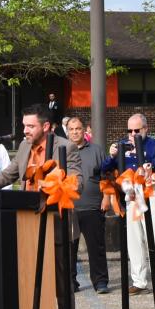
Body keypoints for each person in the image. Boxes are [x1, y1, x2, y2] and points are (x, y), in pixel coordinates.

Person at [108, 114, 155, 298]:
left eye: (137, 130)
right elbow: (107, 167)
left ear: (145, 129)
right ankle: (139, 281)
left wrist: (150, 166)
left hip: (150, 190)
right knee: (134, 239)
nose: (133, 134)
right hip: (132, 193)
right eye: (130, 130)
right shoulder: (122, 145)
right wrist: (112, 154)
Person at [0, 105, 80, 189]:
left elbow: (77, 184)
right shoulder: (24, 146)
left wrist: (52, 184)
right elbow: (6, 175)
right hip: (26, 209)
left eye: (31, 126)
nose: (25, 131)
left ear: (45, 126)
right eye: (24, 126)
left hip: (52, 208)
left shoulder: (67, 147)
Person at [63, 117, 109, 294]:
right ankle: (70, 282)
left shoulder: (97, 151)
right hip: (69, 208)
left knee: (96, 248)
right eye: (72, 129)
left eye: (78, 128)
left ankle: (100, 282)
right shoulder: (62, 151)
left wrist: (106, 198)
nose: (75, 132)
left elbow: (106, 176)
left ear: (84, 131)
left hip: (92, 207)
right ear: (67, 131)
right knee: (69, 250)